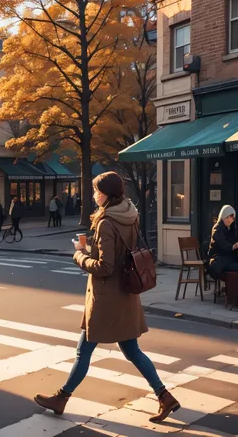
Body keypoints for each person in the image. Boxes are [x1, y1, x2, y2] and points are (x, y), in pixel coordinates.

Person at [34, 172, 180, 422]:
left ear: (105, 194)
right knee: (133, 351)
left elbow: (105, 267)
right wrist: (95, 248)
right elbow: (122, 253)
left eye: (95, 191)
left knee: (84, 351)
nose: (93, 195)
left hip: (107, 299)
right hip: (126, 294)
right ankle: (164, 396)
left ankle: (61, 398)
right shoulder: (130, 214)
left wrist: (80, 255)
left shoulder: (106, 222)